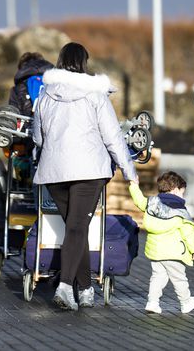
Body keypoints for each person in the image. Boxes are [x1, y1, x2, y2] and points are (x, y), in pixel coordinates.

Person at [32, 42, 137, 311]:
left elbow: (38, 138)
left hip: (54, 173)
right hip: (89, 172)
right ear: (83, 63)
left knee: (73, 229)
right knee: (78, 228)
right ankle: (66, 287)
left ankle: (87, 289)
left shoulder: (45, 94)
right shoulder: (95, 95)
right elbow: (113, 138)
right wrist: (129, 171)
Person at [128, 171, 194, 315]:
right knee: (179, 278)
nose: (182, 196)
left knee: (157, 277)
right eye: (182, 192)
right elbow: (188, 233)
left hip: (156, 252)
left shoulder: (152, 203)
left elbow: (139, 201)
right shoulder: (180, 211)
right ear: (175, 190)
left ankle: (152, 302)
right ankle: (185, 302)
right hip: (174, 252)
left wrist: (134, 186)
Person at [8, 52, 53, 116]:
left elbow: (13, 115)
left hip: (29, 124)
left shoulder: (17, 89)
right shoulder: (55, 82)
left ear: (22, 68)